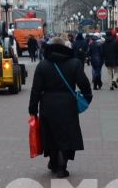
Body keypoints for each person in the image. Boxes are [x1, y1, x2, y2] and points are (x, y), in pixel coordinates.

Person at [28, 35, 91, 178]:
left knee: (50, 134)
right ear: (65, 47)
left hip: (47, 105)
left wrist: (32, 108)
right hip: (68, 105)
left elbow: (36, 89)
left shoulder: (43, 65)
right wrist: (86, 98)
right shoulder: (74, 63)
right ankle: (62, 166)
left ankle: (53, 162)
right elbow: (85, 85)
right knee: (67, 134)